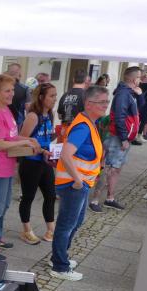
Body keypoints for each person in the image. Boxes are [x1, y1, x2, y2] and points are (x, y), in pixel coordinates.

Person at [50, 86, 109, 281]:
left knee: (75, 222)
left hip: (80, 183)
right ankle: (60, 266)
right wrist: (77, 180)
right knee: (67, 224)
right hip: (73, 184)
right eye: (102, 102)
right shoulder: (83, 126)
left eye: (106, 101)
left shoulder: (89, 123)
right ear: (89, 104)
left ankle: (59, 256)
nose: (106, 105)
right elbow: (66, 154)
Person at [0, 73, 39, 259]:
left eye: (12, 90)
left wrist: (28, 139)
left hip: (7, 165)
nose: (12, 93)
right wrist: (24, 142)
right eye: (7, 91)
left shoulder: (6, 109)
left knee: (4, 205)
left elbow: (10, 137)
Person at [88, 66, 140, 212]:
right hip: (117, 138)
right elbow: (119, 117)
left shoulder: (129, 93)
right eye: (139, 77)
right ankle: (95, 200)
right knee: (109, 169)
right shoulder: (123, 94)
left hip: (122, 138)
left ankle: (110, 198)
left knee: (116, 169)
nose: (140, 80)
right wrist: (123, 138)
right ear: (133, 79)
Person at [18, 82, 57, 244]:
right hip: (31, 163)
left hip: (45, 162)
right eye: (51, 96)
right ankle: (26, 230)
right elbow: (21, 139)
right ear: (41, 97)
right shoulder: (33, 116)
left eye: (55, 95)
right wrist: (40, 150)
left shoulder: (50, 115)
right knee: (28, 197)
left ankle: (51, 230)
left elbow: (46, 137)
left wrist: (57, 136)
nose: (55, 99)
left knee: (51, 195)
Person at [6, 62, 29, 126]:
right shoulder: (25, 89)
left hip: (2, 120)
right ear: (19, 74)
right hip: (17, 123)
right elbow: (28, 110)